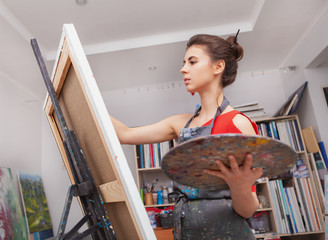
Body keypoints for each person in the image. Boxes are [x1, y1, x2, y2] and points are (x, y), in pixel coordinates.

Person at [111, 30, 263, 239]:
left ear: (218, 66)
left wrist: (240, 188)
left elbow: (248, 210)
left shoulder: (238, 124)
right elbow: (124, 135)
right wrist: (86, 96)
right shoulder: (181, 123)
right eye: (184, 63)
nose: (183, 69)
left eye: (192, 62)